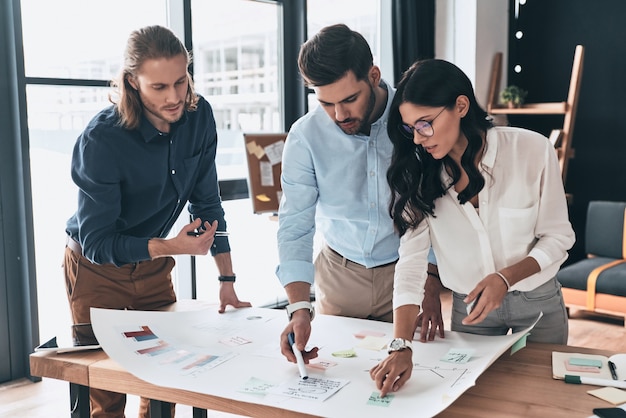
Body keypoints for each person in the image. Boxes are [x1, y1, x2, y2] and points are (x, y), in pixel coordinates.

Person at [63, 25, 251, 417]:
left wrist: (227, 280)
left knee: (164, 378)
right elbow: (98, 243)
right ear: (132, 82)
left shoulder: (200, 118)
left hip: (152, 264)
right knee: (106, 393)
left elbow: (208, 204)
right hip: (96, 270)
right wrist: (170, 247)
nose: (174, 97)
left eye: (180, 82)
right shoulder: (102, 139)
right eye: (159, 87)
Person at [370, 59, 575, 397]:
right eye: (410, 129)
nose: (418, 139)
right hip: (471, 310)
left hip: (538, 301)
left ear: (461, 106)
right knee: (477, 400)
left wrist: (505, 277)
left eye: (425, 124)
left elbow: (558, 236)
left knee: (543, 398)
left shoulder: (531, 149)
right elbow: (410, 264)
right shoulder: (419, 175)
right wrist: (400, 344)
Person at [275, 24, 444, 366]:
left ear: (374, 76)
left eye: (350, 99)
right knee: (341, 380)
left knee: (413, 382)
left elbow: (440, 201)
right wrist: (298, 307)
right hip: (339, 275)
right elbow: (295, 224)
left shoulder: (415, 118)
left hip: (406, 272)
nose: (340, 115)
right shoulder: (305, 136)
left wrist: (431, 277)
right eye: (326, 103)